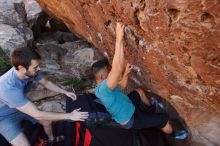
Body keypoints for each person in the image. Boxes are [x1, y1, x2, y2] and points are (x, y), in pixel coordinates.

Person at [92, 22, 188, 140]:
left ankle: (151, 109)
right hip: (131, 119)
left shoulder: (105, 87)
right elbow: (117, 68)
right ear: (102, 76)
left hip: (127, 107)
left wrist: (126, 74)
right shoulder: (103, 90)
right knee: (163, 119)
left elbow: (121, 86)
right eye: (109, 72)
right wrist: (119, 38)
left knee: (139, 92)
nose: (112, 73)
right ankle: (173, 134)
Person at [0, 48, 89, 146]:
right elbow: (38, 114)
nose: (39, 69)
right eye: (35, 67)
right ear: (22, 68)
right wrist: (70, 115)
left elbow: (46, 82)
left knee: (46, 122)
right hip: (3, 118)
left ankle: (51, 140)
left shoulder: (28, 71)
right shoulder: (7, 88)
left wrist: (65, 92)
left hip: (18, 107)